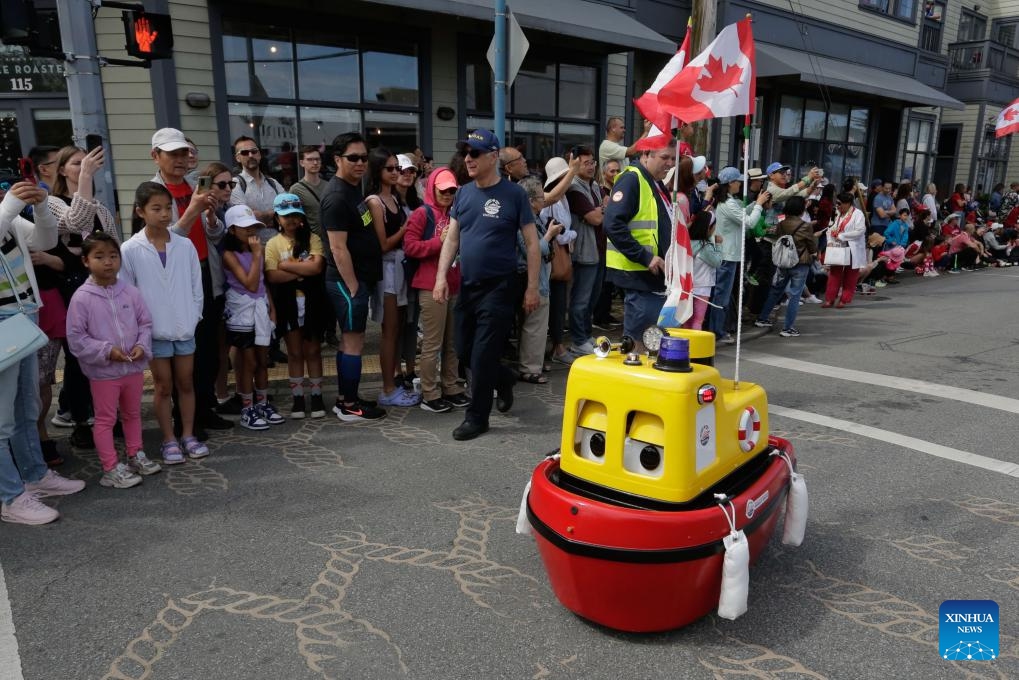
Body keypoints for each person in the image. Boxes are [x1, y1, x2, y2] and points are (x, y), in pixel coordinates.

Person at [433, 129, 540, 441]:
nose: (468, 158)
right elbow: (452, 238)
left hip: (501, 287)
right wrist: (441, 277)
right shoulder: (464, 194)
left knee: (480, 356)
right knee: (464, 350)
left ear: (494, 157)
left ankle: (477, 418)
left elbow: (532, 244)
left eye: (475, 153)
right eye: (466, 152)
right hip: (468, 285)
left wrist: (532, 287)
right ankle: (503, 376)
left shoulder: (515, 194)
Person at [0, 181, 86, 525]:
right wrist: (10, 203)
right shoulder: (4, 213)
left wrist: (40, 206)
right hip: (5, 326)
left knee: (26, 406)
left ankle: (35, 475)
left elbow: (44, 241)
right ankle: (9, 497)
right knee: (2, 418)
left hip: (22, 320)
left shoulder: (8, 218)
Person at [149, 128, 231, 438]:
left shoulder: (196, 185)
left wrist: (210, 219)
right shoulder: (150, 192)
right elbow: (162, 240)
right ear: (156, 156)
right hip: (174, 280)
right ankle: (186, 419)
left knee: (209, 345)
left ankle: (206, 407)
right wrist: (195, 209)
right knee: (185, 351)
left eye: (184, 152)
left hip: (203, 271)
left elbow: (213, 234)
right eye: (173, 153)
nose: (181, 159)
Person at [120, 182, 208, 463]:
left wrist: (194, 315)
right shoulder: (130, 249)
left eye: (167, 207)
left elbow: (197, 286)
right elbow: (128, 292)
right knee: (162, 386)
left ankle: (188, 435)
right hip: (153, 331)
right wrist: (139, 329)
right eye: (156, 208)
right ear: (140, 212)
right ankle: (168, 439)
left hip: (184, 327)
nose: (164, 214)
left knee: (186, 382)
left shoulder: (184, 245)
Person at [66, 232, 160, 488]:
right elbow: (76, 338)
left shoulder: (129, 292)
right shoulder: (82, 297)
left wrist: (142, 345)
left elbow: (145, 323)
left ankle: (135, 454)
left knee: (132, 414)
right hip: (104, 373)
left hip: (132, 368)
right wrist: (107, 351)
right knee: (105, 419)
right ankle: (110, 467)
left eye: (113, 256)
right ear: (85, 261)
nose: (108, 262)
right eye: (100, 257)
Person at [47, 144, 120, 450]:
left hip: (104, 288)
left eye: (87, 163)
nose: (83, 167)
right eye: (77, 164)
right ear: (62, 170)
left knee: (106, 352)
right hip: (72, 289)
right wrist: (88, 178)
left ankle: (105, 415)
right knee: (79, 358)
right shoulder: (52, 202)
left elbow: (113, 245)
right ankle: (80, 420)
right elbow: (76, 222)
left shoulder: (101, 208)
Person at [320, 132, 386, 421]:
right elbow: (337, 246)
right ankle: (348, 405)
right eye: (353, 158)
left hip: (357, 281)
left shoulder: (351, 189)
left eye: (364, 158)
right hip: (347, 283)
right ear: (337, 160)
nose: (360, 163)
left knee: (351, 341)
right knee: (353, 342)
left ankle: (348, 397)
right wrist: (353, 286)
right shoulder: (336, 196)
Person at [403, 168, 470, 412]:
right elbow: (409, 247)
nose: (448, 194)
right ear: (432, 188)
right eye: (443, 190)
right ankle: (430, 393)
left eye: (452, 190)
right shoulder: (422, 214)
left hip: (454, 283)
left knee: (453, 342)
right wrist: (438, 242)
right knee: (432, 343)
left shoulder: (456, 212)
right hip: (430, 286)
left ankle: (450, 386)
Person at [603, 144, 676, 352]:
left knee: (651, 337)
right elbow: (612, 224)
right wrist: (645, 257)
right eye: (665, 157)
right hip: (639, 272)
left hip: (651, 273)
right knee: (641, 339)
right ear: (646, 154)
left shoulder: (653, 182)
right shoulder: (632, 179)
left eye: (673, 159)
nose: (670, 164)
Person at [265, 194, 327, 419]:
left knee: (313, 349)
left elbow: (317, 268)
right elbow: (272, 276)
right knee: (294, 351)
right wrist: (301, 268)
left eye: (294, 215)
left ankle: (317, 395)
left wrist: (287, 265)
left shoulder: (313, 239)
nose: (290, 220)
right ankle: (298, 398)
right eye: (285, 216)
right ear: (277, 218)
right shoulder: (272, 243)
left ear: (301, 217)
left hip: (313, 303)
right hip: (287, 304)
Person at [365, 148, 419, 408]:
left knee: (397, 330)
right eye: (391, 168)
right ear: (378, 171)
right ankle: (387, 388)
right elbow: (383, 244)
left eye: (398, 168)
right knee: (389, 332)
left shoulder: (394, 198)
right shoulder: (375, 201)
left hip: (400, 268)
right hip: (387, 272)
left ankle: (393, 384)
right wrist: (406, 229)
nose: (397, 172)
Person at [222, 205, 284, 430]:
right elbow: (248, 282)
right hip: (241, 311)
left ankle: (263, 402)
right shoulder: (230, 254)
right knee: (248, 363)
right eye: (245, 227)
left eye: (253, 227)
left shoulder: (253, 249)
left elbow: (261, 282)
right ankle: (248, 408)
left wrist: (271, 306)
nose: (251, 232)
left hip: (260, 307)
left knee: (262, 360)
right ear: (231, 230)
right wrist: (258, 254)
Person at [710, 167, 769, 342]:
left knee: (724, 295)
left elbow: (742, 213)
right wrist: (758, 204)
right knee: (722, 296)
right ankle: (718, 332)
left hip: (729, 255)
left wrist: (755, 204)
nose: (740, 184)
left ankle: (719, 329)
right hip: (727, 256)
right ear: (730, 184)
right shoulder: (728, 204)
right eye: (737, 181)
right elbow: (749, 222)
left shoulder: (729, 201)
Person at [753, 196, 817, 337]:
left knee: (776, 290)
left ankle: (762, 318)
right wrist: (814, 253)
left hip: (783, 261)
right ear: (801, 209)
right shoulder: (806, 226)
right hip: (800, 262)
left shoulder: (781, 224)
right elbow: (812, 246)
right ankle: (788, 328)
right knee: (795, 295)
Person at [516, 176, 556, 383]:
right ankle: (529, 367)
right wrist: (548, 236)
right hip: (533, 280)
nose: (544, 200)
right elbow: (531, 250)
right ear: (531, 201)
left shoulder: (534, 217)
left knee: (536, 323)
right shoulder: (524, 220)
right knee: (535, 323)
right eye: (541, 196)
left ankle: (534, 362)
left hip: (538, 278)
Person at [564, 146, 604, 358]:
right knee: (580, 299)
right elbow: (596, 218)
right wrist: (600, 211)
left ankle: (586, 335)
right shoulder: (573, 188)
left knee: (592, 299)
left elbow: (601, 211)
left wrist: (599, 210)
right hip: (584, 252)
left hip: (598, 249)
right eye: (585, 163)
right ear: (574, 164)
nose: (590, 167)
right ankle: (578, 340)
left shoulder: (595, 185)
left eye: (592, 162)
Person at [823, 192, 867, 308]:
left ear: (848, 204)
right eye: (836, 203)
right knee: (834, 273)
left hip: (852, 247)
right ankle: (830, 298)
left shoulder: (858, 214)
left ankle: (845, 299)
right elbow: (830, 228)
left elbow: (860, 231)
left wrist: (842, 236)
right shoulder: (837, 213)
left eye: (839, 203)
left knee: (851, 274)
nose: (837, 206)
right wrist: (830, 240)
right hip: (838, 247)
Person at [229, 136, 284, 227]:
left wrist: (261, 215)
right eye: (245, 152)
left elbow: (287, 209)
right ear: (238, 158)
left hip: (278, 239)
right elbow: (244, 218)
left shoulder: (273, 183)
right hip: (253, 240)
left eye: (254, 151)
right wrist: (275, 214)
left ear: (259, 155)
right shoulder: (235, 184)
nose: (250, 155)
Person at [684, 211, 721, 331]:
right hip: (703, 287)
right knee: (698, 320)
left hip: (687, 286)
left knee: (686, 319)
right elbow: (717, 262)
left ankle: (685, 345)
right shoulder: (706, 247)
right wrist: (719, 246)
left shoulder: (686, 243)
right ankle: (694, 347)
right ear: (709, 228)